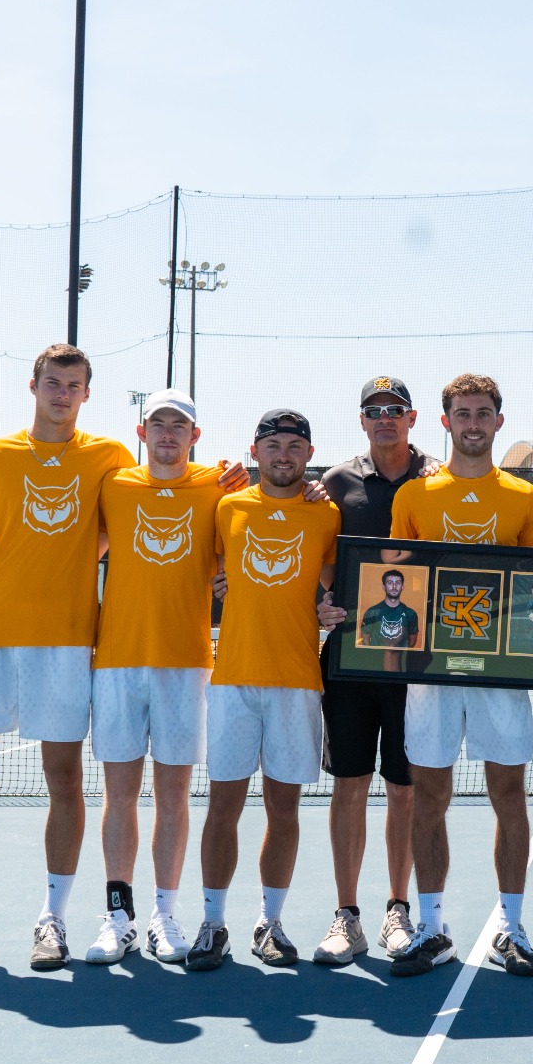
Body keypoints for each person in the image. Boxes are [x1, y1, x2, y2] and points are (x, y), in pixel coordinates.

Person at [0, 344, 135, 974]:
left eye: (74, 386)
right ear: (33, 386)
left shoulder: (109, 457)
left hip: (66, 644)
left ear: (87, 394)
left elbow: (137, 516)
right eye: (53, 383)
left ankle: (53, 920)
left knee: (64, 780)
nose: (63, 395)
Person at [386, 374, 533, 979]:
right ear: (445, 421)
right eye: (463, 413)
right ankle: (432, 929)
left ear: (498, 421)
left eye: (483, 413)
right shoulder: (414, 495)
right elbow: (391, 580)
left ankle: (512, 927)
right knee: (429, 795)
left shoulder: (525, 498)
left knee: (509, 794)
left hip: (500, 672)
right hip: (430, 672)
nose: (473, 423)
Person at [185, 409, 345, 971]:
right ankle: (212, 924)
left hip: (297, 682)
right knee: (222, 807)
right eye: (273, 445)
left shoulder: (327, 514)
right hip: (232, 681)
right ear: (254, 451)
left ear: (309, 454)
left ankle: (270, 923)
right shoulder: (227, 506)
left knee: (284, 809)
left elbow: (339, 587)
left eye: (294, 446)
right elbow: (205, 569)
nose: (283, 455)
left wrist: (332, 609)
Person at [83, 388, 229, 965]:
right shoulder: (113, 486)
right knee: (119, 795)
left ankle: (163, 915)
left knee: (173, 796)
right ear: (141, 432)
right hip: (116, 661)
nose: (168, 433)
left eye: (180, 425)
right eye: (158, 424)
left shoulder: (219, 487)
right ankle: (117, 917)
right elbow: (69, 538)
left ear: (195, 436)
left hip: (185, 664)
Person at [315, 378, 437, 964]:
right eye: (374, 410)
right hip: (350, 662)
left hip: (416, 664)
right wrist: (327, 600)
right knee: (350, 786)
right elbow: (320, 557)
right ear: (361, 420)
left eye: (394, 409)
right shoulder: (337, 483)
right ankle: (347, 915)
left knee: (405, 790)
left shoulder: (437, 478)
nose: (384, 418)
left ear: (412, 418)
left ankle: (398, 909)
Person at [360, 569, 420, 650]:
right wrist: (372, 654)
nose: (394, 586)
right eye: (390, 583)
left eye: (398, 583)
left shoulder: (410, 613)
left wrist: (400, 654)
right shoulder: (372, 612)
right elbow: (365, 639)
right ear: (384, 587)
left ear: (402, 587)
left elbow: (412, 642)